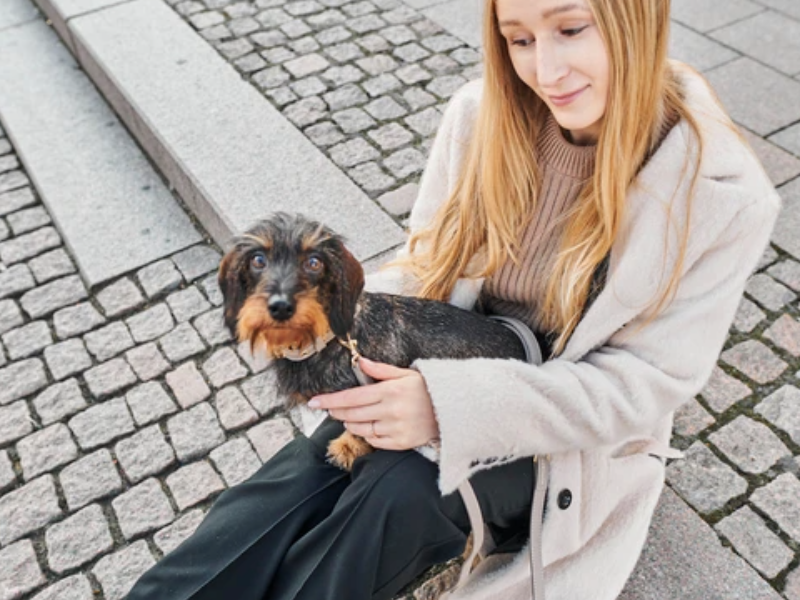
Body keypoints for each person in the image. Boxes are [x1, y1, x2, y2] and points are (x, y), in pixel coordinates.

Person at [127, 0, 780, 598]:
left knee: (397, 492)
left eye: (570, 28)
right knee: (300, 477)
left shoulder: (719, 196)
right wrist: (347, 333)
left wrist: (447, 407)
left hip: (564, 431)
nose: (545, 70)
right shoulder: (481, 117)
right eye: (518, 39)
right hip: (440, 355)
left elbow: (639, 388)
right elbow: (426, 267)